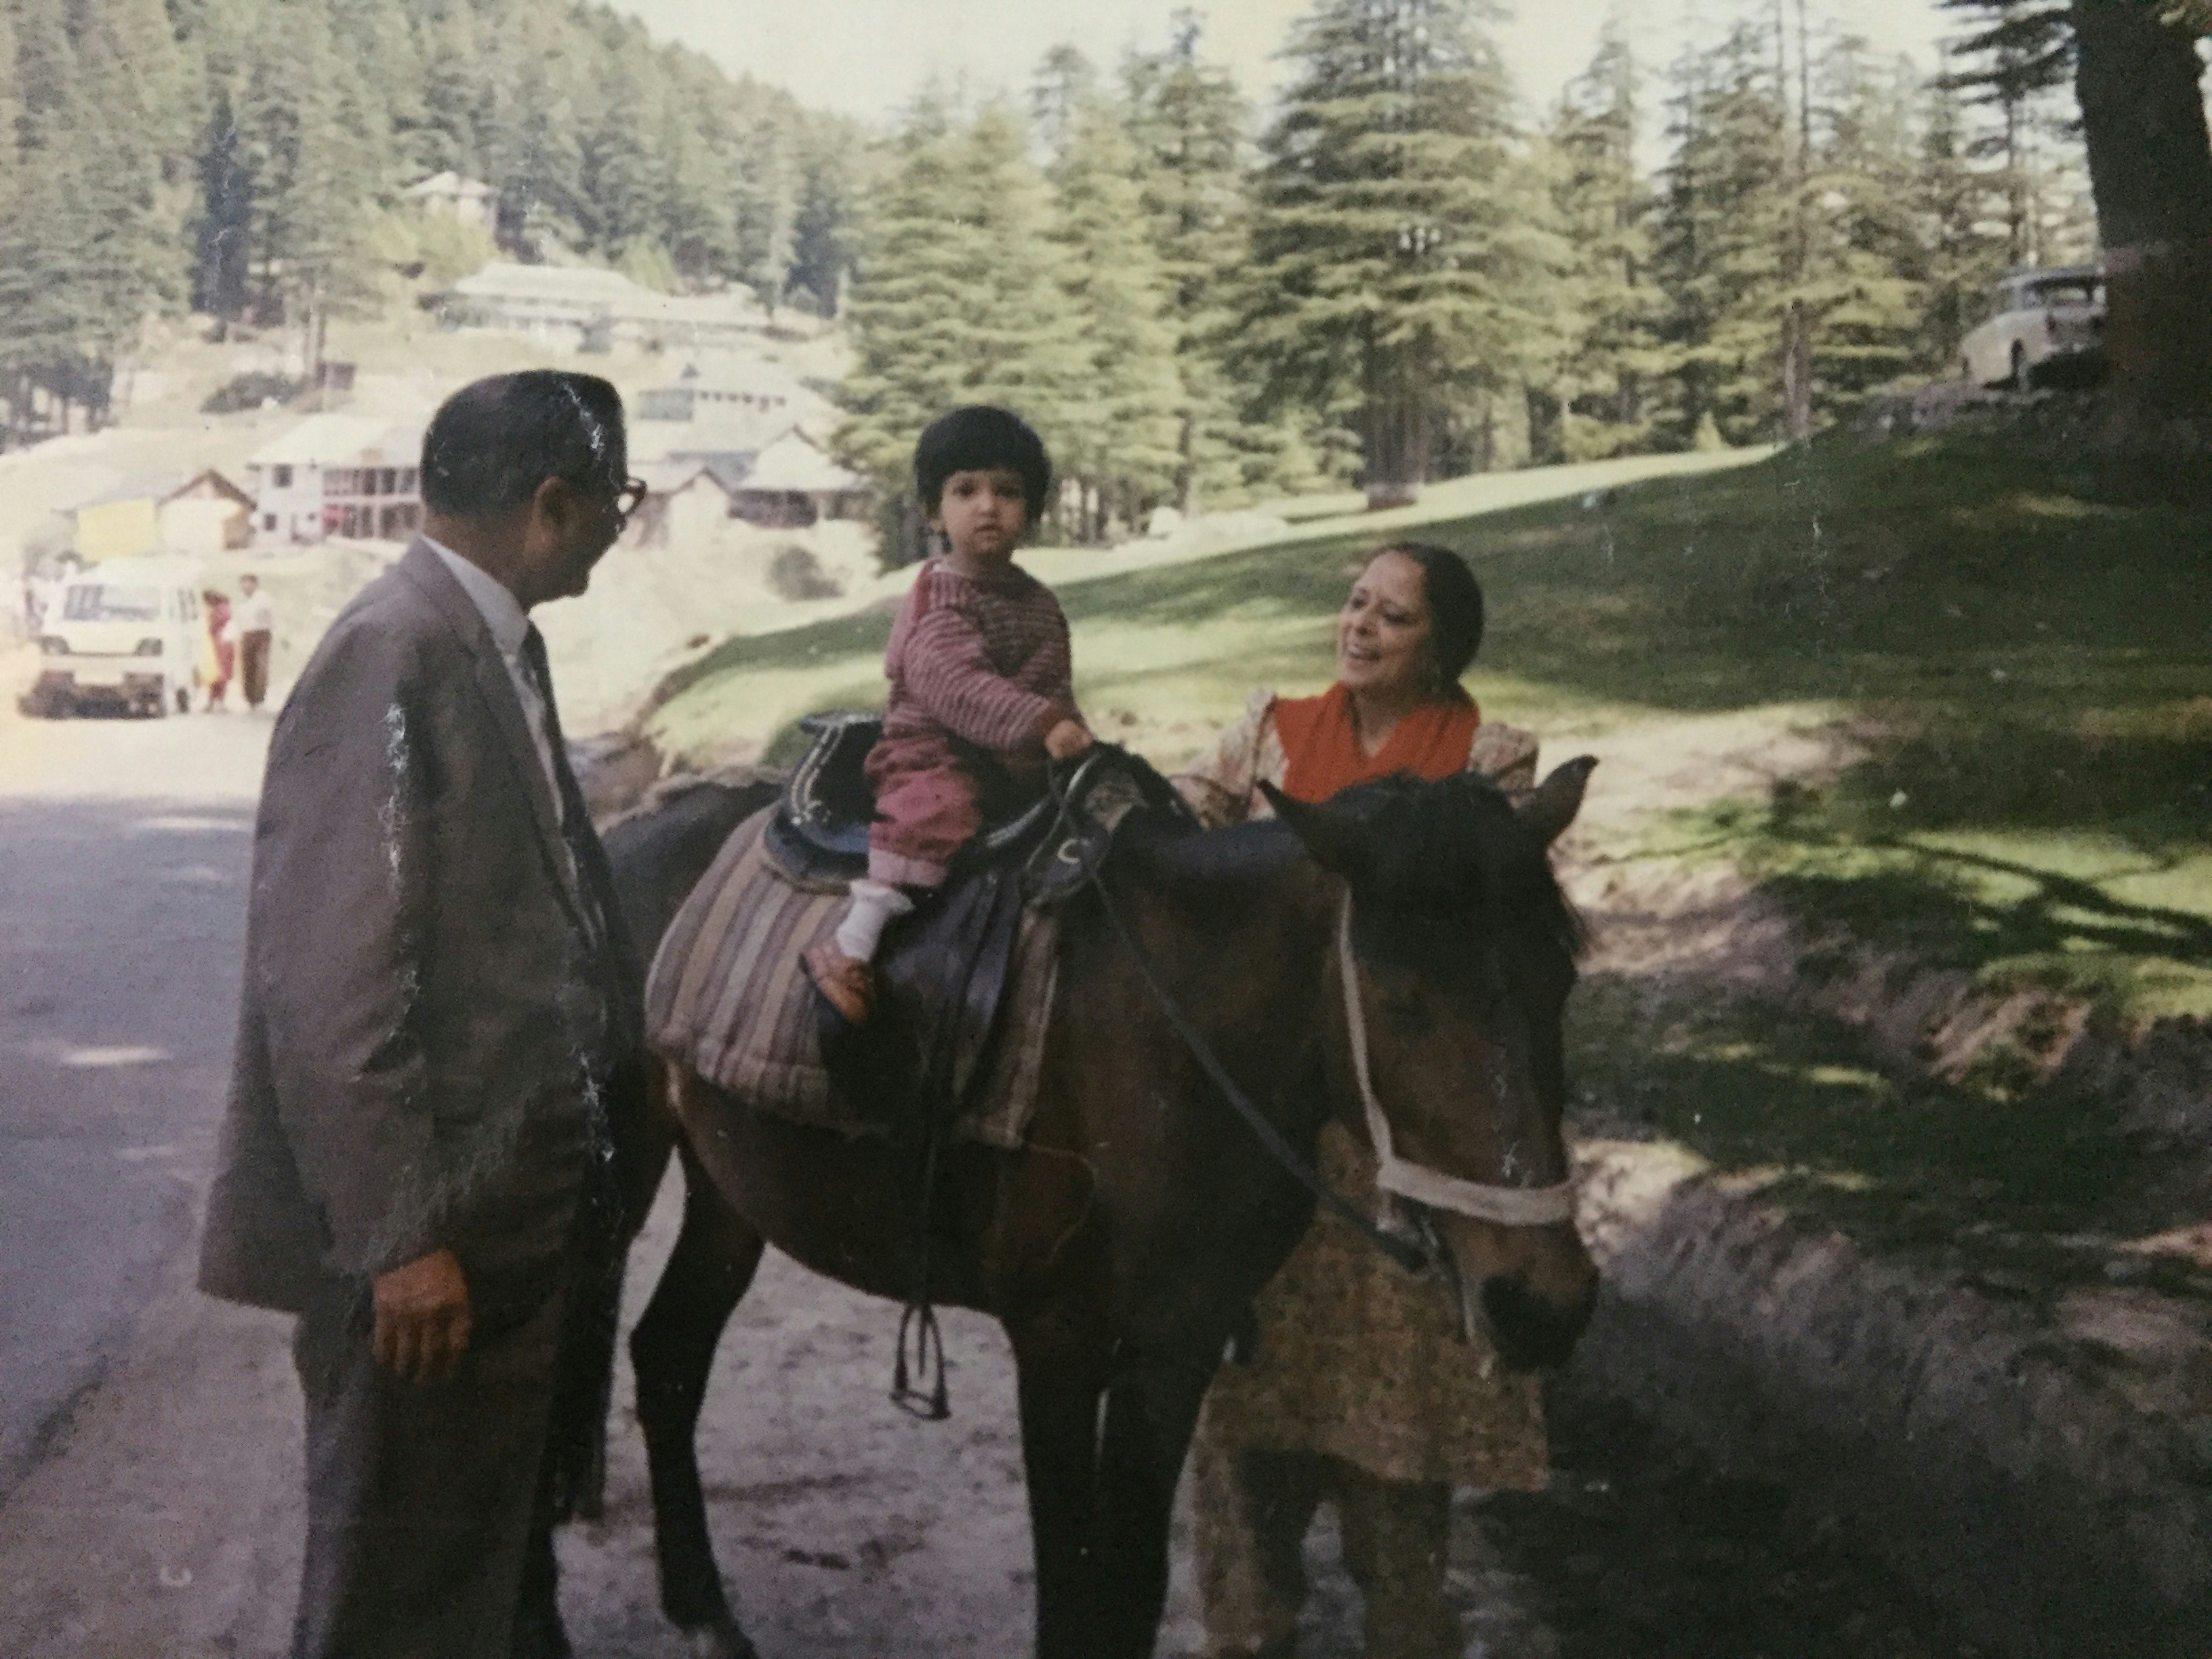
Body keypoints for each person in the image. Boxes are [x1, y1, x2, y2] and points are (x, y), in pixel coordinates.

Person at [197, 370, 650, 1659]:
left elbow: (546, 895)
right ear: (553, 505)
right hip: (428, 1255)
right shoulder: (389, 652)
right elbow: (332, 988)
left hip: (514, 1233)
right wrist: (400, 1241)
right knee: (391, 1602)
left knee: (481, 1576)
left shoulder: (498, 643)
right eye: (618, 499)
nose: (624, 526)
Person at [1174, 541, 1547, 1659]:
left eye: (1392, 617)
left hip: (1401, 1145)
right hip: (1264, 1147)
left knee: (1398, 1481)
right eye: (1353, 604)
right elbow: (1173, 838)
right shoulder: (1265, 735)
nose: (1359, 628)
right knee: (1243, 1467)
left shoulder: (1488, 762)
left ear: (1441, 645)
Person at [802, 405, 1092, 1024]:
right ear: (936, 513)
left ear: (1031, 511)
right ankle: (855, 938)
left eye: (1008, 492)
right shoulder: (937, 598)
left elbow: (1051, 684)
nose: (988, 506)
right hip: (935, 747)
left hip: (1012, 754)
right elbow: (960, 686)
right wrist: (1044, 724)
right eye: (966, 491)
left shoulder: (1039, 603)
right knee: (935, 808)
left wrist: (1070, 733)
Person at [232, 571, 276, 710]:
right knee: (247, 665)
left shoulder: (263, 599)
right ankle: (249, 697)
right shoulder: (241, 600)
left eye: (248, 584)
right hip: (246, 634)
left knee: (260, 664)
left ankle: (259, 697)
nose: (246, 587)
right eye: (243, 584)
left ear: (255, 584)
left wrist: (273, 630)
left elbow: (271, 616)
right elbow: (238, 620)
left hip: (262, 633)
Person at [202, 588, 234, 712]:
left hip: (220, 644)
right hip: (222, 643)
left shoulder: (220, 610)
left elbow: (214, 626)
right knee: (218, 673)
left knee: (219, 673)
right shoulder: (224, 608)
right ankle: (216, 702)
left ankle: (215, 702)